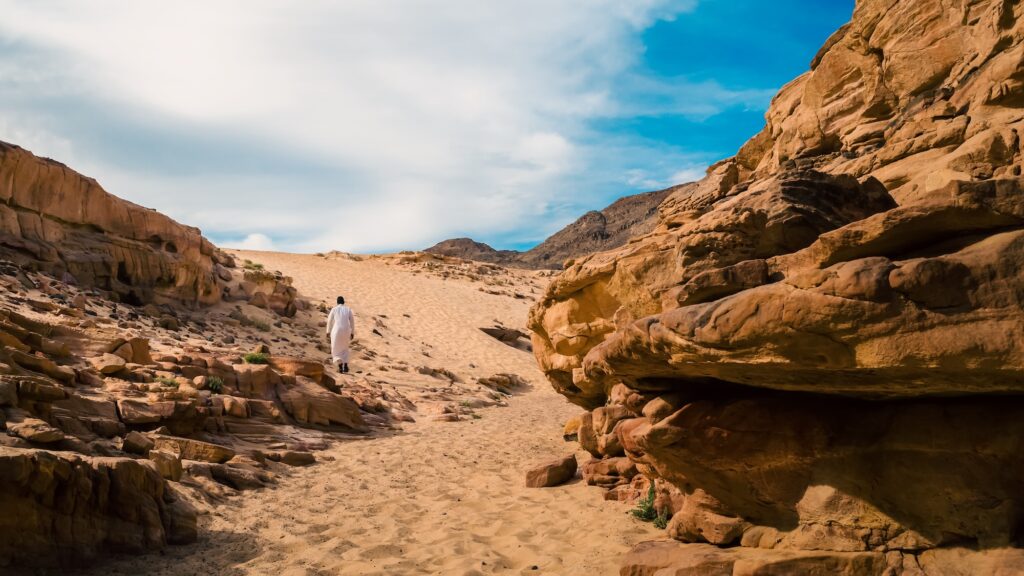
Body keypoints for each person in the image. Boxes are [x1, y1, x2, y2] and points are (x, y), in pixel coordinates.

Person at [326, 296, 355, 373]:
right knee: (345, 348)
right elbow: (352, 321)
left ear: (337, 302)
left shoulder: (334, 309)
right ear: (343, 302)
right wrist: (352, 332)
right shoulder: (348, 309)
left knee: (335, 349)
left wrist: (328, 331)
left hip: (336, 331)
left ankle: (340, 366)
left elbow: (329, 320)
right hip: (346, 331)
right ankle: (345, 366)